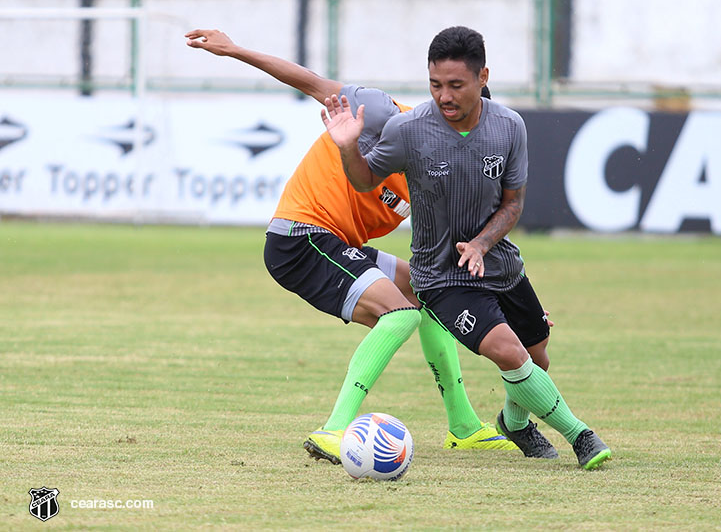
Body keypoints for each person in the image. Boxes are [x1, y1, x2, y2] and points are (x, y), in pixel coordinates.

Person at [185, 29, 528, 465]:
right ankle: (333, 429)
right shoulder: (391, 118)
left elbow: (466, 252)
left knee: (427, 293)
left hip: (336, 244)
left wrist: (515, 301)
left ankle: (463, 427)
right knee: (399, 312)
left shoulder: (457, 179)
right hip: (301, 237)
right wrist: (234, 50)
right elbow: (312, 83)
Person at [321, 26, 612, 469]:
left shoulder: (509, 127)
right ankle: (581, 436)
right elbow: (364, 181)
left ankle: (515, 422)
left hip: (500, 265)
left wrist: (480, 244)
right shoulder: (409, 129)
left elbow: (513, 204)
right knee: (509, 353)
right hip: (440, 277)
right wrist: (346, 148)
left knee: (537, 356)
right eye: (435, 84)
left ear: (482, 78)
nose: (444, 95)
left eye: (456, 85)